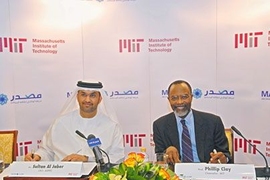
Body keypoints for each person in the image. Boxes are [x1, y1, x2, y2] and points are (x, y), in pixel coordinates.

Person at [24, 80, 125, 164]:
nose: (87, 99)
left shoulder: (111, 126)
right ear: (77, 97)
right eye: (83, 95)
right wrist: (37, 156)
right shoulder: (60, 123)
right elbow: (47, 151)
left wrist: (87, 159)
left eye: (93, 95)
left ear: (100, 99)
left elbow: (118, 158)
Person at [153, 80, 232, 165]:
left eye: (184, 97)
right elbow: (160, 157)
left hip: (206, 173)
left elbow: (225, 154)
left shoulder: (213, 122)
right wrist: (166, 153)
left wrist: (223, 158)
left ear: (191, 97)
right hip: (176, 174)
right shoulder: (160, 125)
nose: (179, 102)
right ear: (169, 100)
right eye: (174, 98)